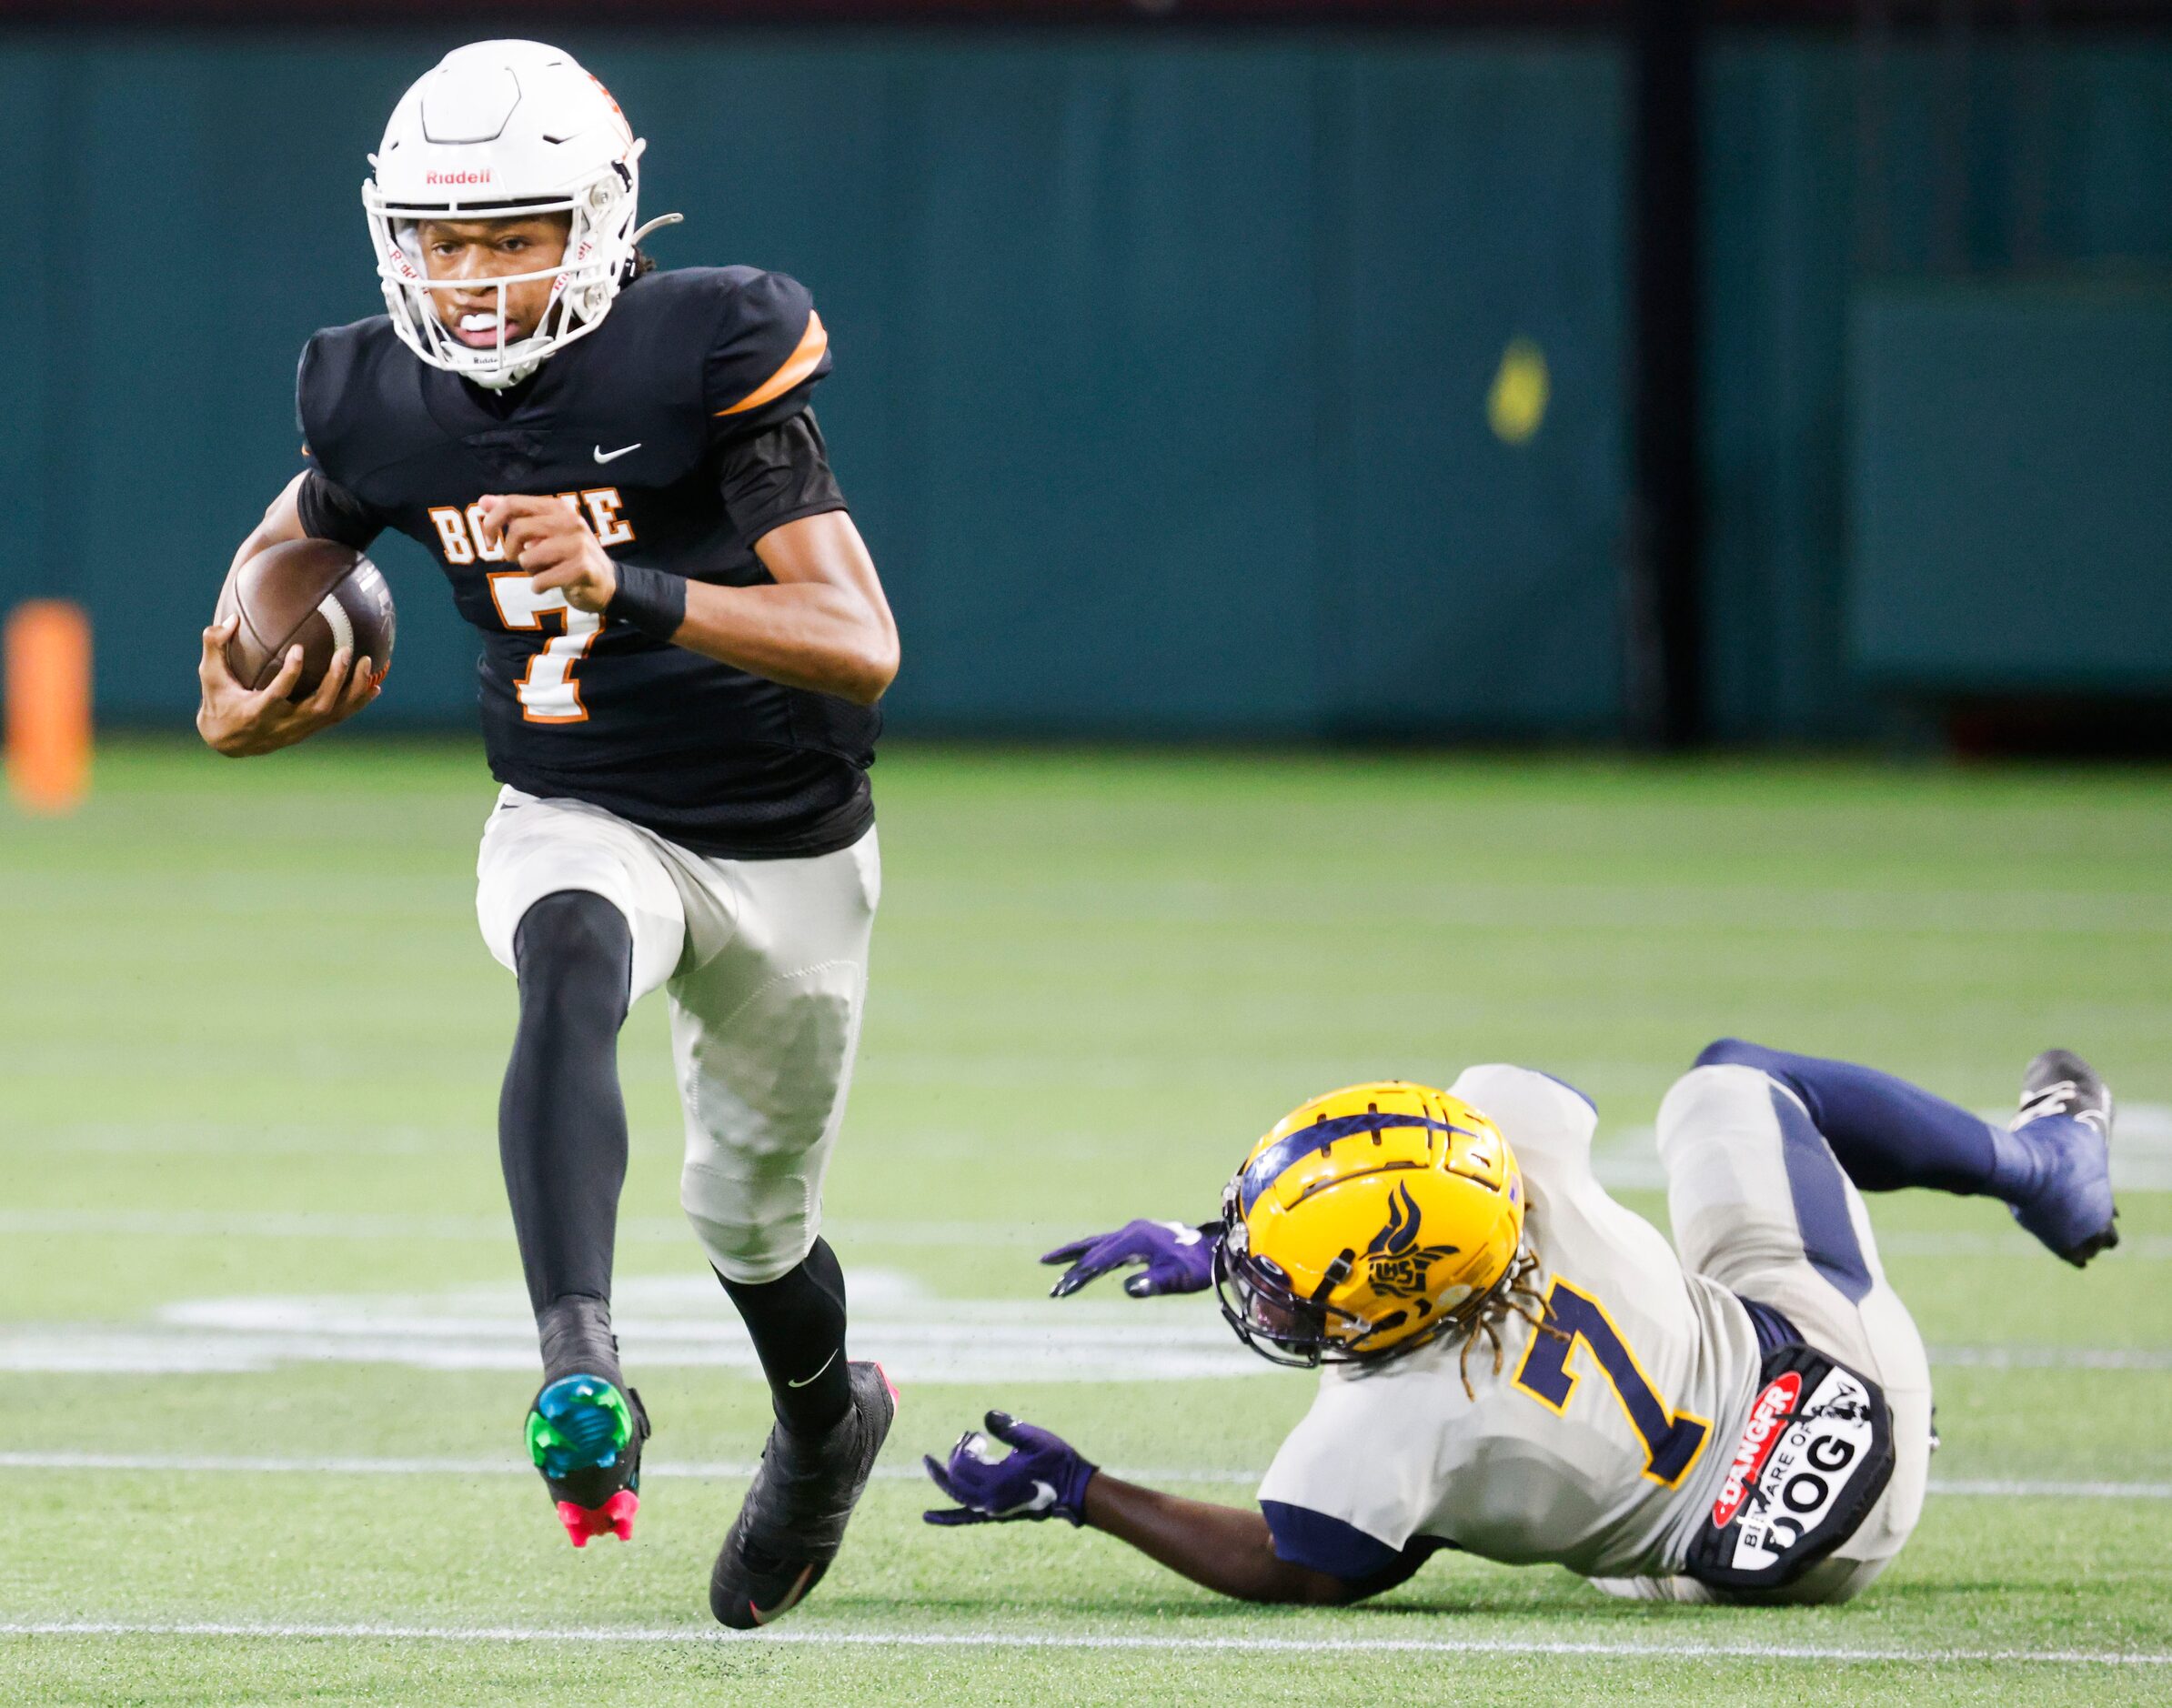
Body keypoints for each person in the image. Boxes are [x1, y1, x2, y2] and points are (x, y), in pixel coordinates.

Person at [194, 39, 899, 1629]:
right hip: (575, 804)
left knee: (754, 1218)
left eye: (512, 235)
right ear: (397, 243)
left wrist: (624, 583)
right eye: (446, 242)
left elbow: (861, 639)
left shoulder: (704, 349)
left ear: (602, 224)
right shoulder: (375, 388)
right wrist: (232, 673)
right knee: (567, 954)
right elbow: (286, 546)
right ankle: (579, 1360)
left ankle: (821, 1420)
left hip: (785, 840)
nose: (479, 280)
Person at [924, 1043, 2117, 1605]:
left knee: (1612, 1557)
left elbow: (1293, 1563)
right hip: (1843, 1370)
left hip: (1766, 1573)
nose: (1269, 1290)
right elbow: (1434, 1167)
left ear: (1398, 1297)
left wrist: (1085, 1490)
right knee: (1732, 1083)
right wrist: (1233, 1236)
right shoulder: (1512, 1143)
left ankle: (2039, 1160)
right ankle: (2040, 1160)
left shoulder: (1388, 1428)